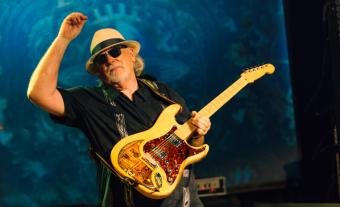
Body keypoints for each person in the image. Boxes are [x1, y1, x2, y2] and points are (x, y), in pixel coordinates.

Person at [27, 12, 211, 207]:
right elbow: (38, 93)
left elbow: (191, 145)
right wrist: (63, 39)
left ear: (131, 55)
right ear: (98, 69)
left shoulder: (163, 93)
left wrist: (199, 132)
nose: (109, 59)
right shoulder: (90, 102)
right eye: (101, 58)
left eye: (114, 52)